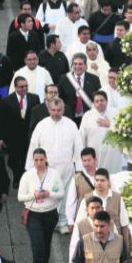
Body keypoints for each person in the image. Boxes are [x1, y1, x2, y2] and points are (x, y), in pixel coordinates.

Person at [26, 97, 84, 233]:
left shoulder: (71, 125)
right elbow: (34, 146)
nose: (56, 113)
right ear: (48, 110)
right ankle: (48, 222)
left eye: (59, 110)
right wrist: (30, 168)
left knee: (65, 195)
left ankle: (62, 222)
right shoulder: (41, 125)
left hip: (66, 167)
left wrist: (79, 168)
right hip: (47, 168)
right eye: (53, 110)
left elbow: (78, 146)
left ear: (63, 110)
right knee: (48, 195)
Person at [17, 147, 66, 263]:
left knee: (46, 244)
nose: (39, 163)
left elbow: (61, 193)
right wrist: (34, 195)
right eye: (36, 160)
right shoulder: (28, 175)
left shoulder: (54, 174)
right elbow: (20, 196)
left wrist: (49, 193)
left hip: (50, 214)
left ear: (46, 159)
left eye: (41, 160)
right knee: (37, 246)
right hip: (34, 214)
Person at [0, 76, 40, 188]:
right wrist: (0, 138)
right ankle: (17, 177)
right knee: (14, 160)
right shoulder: (7, 101)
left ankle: (26, 180)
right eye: (21, 87)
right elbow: (1, 120)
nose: (24, 89)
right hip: (13, 136)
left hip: (28, 136)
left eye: (26, 86)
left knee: (27, 158)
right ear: (15, 87)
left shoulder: (34, 98)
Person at [74, 168, 130, 250]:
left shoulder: (117, 198)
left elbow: (124, 225)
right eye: (97, 180)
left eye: (102, 180)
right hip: (92, 248)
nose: (99, 183)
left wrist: (126, 249)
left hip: (114, 247)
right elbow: (78, 227)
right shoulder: (86, 199)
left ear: (108, 182)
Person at [79, 92, 122, 173]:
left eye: (102, 100)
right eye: (97, 101)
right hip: (94, 154)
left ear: (107, 101)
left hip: (112, 155)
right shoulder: (87, 116)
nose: (100, 103)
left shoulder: (116, 113)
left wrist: (110, 125)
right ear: (94, 103)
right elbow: (81, 137)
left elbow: (123, 131)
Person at [58, 53, 102, 126]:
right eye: (75, 64)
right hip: (69, 118)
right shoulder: (64, 79)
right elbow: (60, 98)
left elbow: (99, 97)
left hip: (89, 117)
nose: (77, 67)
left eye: (80, 64)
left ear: (85, 65)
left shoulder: (94, 79)